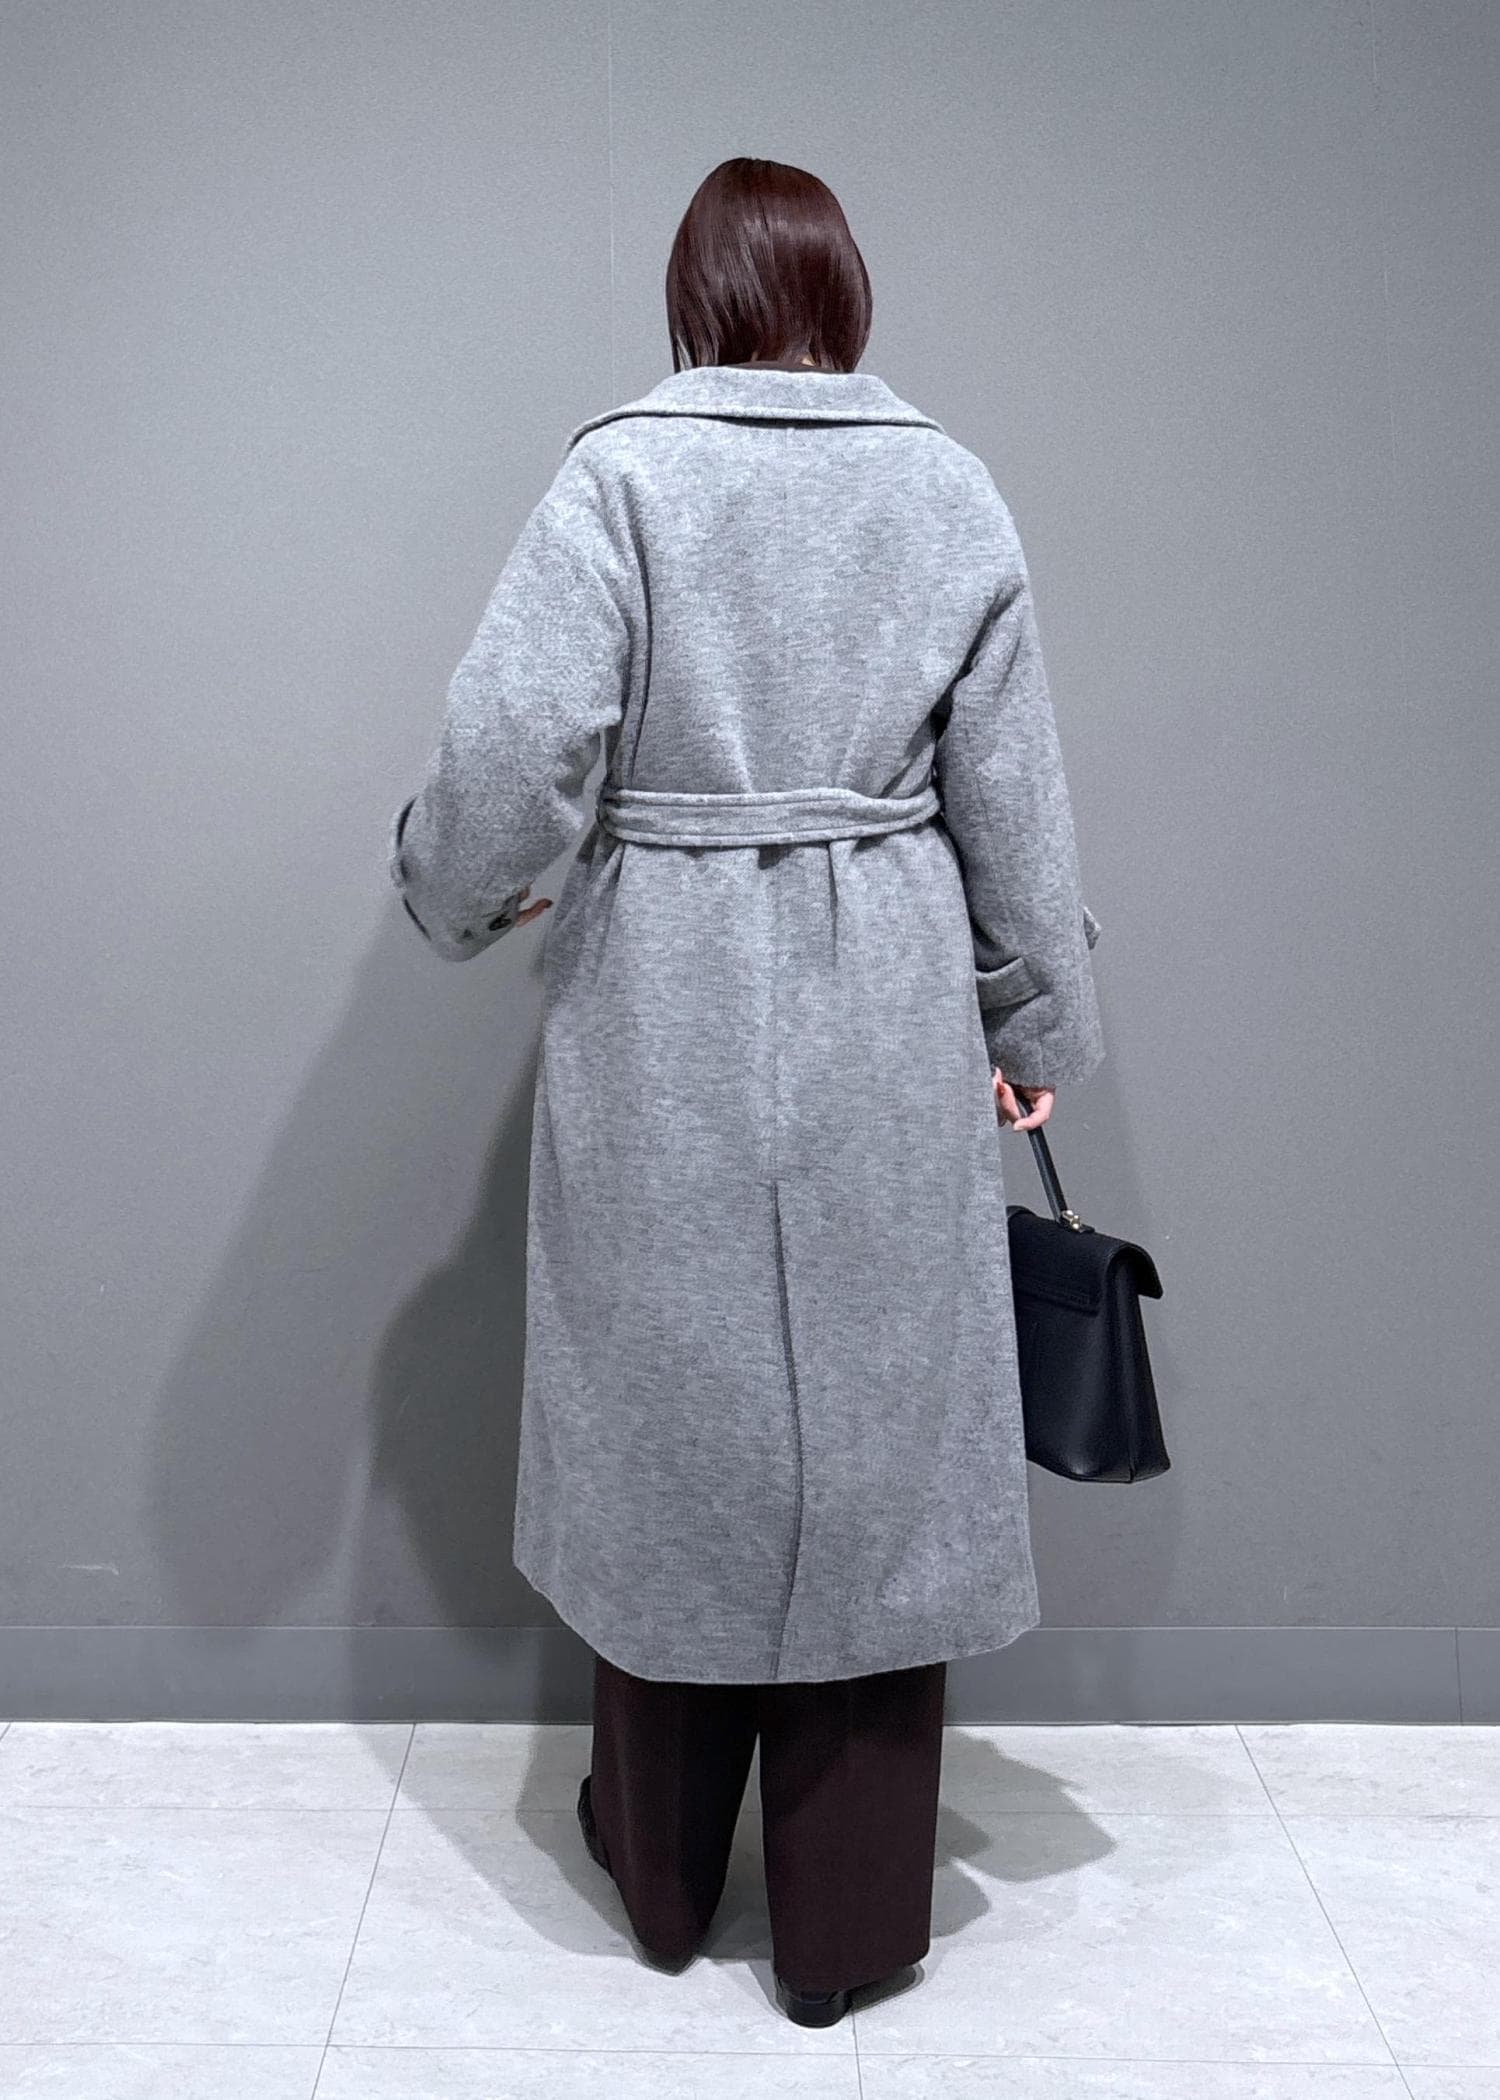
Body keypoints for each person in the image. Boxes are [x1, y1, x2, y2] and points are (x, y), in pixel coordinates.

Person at [388, 155, 1105, 2026]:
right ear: (845, 293)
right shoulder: (948, 489)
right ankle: (850, 1927)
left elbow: (511, 744)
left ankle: (662, 1879)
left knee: (665, 1429)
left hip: (664, 1004)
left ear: (694, 299)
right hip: (887, 1008)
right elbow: (1013, 799)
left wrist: (455, 891)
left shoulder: (620, 478)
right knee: (875, 1442)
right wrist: (1029, 1032)